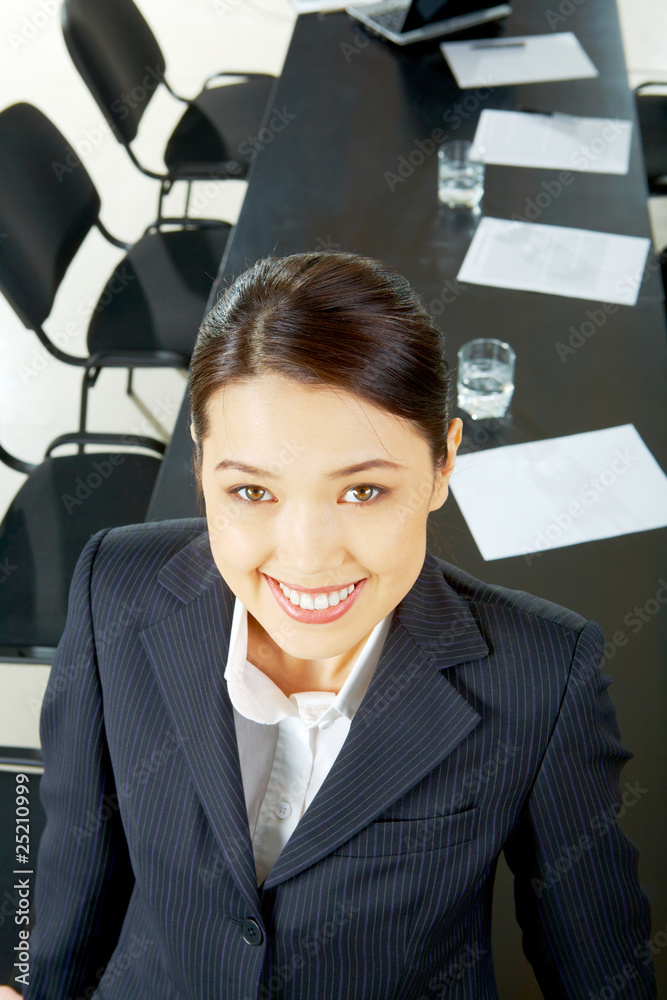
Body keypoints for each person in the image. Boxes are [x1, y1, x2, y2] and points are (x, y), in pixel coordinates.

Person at [3, 252, 656, 999]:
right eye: (251, 489)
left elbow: (602, 973)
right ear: (201, 461)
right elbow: (68, 859)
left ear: (443, 463)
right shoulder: (114, 589)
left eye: (364, 491)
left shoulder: (542, 673)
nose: (306, 558)